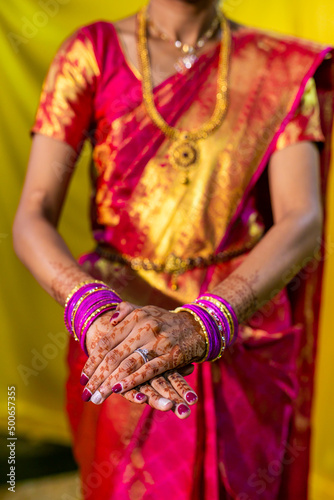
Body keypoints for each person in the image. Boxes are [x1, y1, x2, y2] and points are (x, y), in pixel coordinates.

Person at [13, 0, 333, 498]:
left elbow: (302, 218)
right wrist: (95, 313)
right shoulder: (91, 53)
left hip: (241, 329)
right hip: (119, 329)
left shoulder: (278, 67)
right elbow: (32, 214)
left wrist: (204, 322)